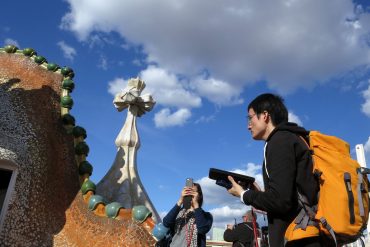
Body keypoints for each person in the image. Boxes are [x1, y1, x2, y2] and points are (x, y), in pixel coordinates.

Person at [226, 93, 321, 247]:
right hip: (307, 234)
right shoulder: (295, 138)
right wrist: (259, 194)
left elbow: (280, 201)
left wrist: (244, 194)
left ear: (265, 116)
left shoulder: (279, 141)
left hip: (296, 239)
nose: (248, 125)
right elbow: (289, 198)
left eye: (250, 118)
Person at [162, 182, 213, 247]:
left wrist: (196, 205)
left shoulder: (206, 216)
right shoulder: (178, 212)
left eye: (192, 191)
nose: (190, 193)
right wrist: (180, 200)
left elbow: (202, 229)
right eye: (187, 191)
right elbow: (166, 223)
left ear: (199, 195)